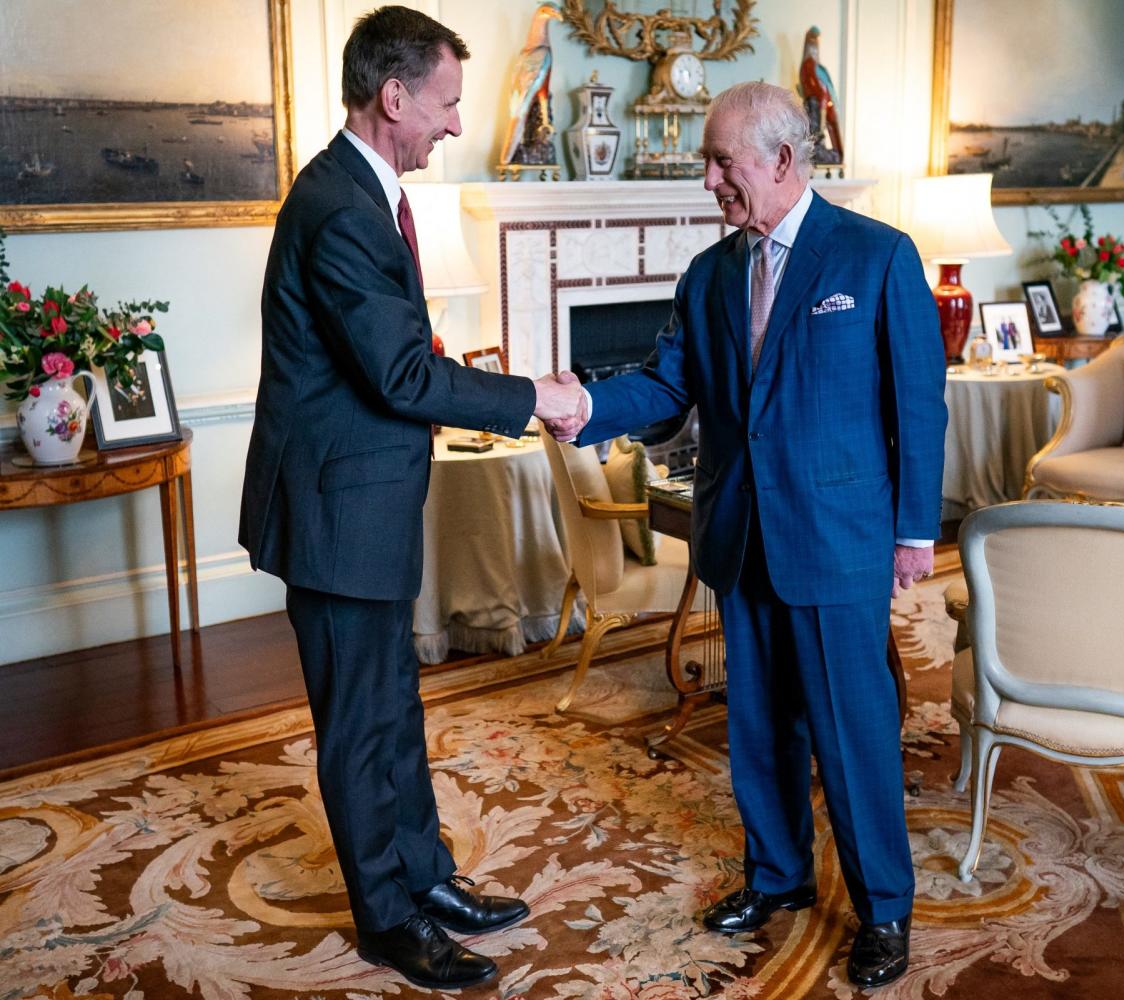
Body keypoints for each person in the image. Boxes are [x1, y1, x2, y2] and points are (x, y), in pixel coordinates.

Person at [546, 82, 946, 989]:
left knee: (852, 730)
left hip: (840, 535)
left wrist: (913, 529)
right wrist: (587, 406)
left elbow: (919, 403)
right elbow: (665, 385)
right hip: (741, 532)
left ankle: (885, 907)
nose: (708, 179)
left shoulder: (876, 256)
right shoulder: (710, 271)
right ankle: (779, 878)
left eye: (722, 161)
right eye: (706, 161)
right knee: (759, 725)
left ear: (782, 160)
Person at [238, 7, 582, 992]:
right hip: (335, 513)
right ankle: (389, 916)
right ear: (395, 97)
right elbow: (397, 372)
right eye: (445, 103)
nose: (453, 124)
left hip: (367, 503)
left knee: (393, 706)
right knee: (359, 723)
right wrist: (532, 397)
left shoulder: (368, 191)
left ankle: (425, 877)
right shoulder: (342, 206)